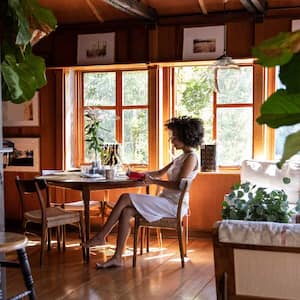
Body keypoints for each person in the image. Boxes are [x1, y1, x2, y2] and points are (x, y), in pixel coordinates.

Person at [84, 116, 204, 268]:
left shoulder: (191, 158)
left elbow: (178, 186)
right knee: (127, 212)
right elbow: (159, 173)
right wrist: (137, 174)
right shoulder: (181, 157)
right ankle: (117, 258)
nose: (172, 140)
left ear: (185, 137)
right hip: (165, 201)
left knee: (125, 197)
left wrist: (153, 181)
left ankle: (101, 236)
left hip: (174, 205)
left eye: (174, 136)